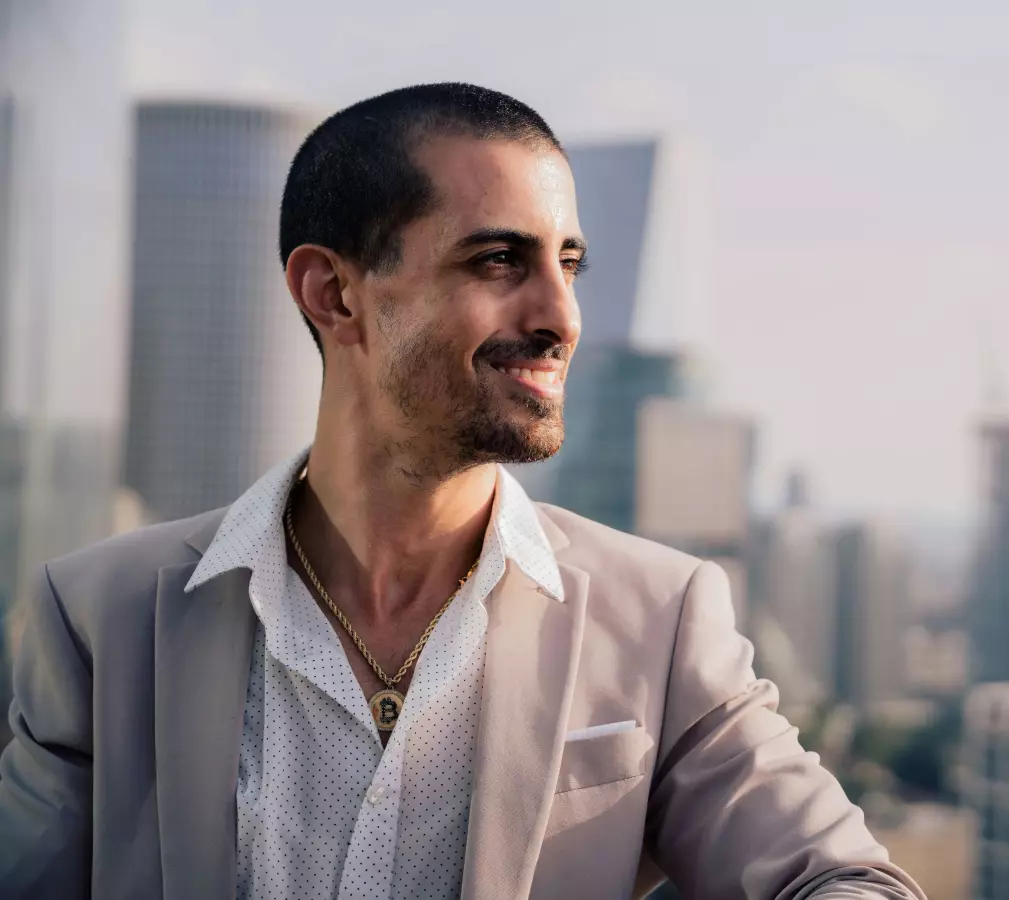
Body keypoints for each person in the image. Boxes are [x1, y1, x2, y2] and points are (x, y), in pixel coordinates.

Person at [0, 83, 925, 900]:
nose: (561, 317)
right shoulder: (99, 617)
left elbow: (841, 875)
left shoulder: (663, 617)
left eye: (569, 264)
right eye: (497, 261)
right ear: (333, 293)